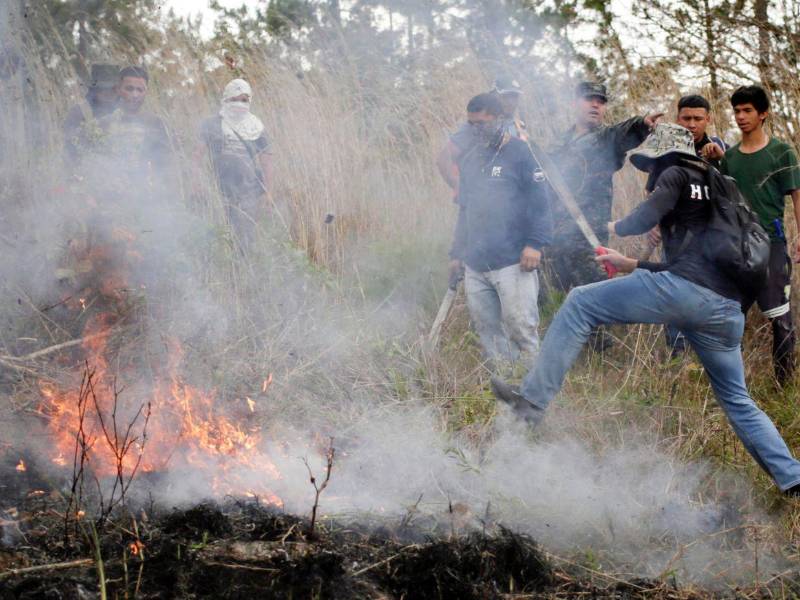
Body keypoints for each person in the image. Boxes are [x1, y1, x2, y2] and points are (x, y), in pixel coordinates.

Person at [491, 123, 800, 496]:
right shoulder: (722, 185)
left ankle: (532, 402)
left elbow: (641, 222)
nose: (651, 174)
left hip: (685, 293)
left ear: (664, 155)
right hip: (726, 311)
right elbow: (697, 264)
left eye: (652, 164)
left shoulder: (676, 172)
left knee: (581, 302)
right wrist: (633, 265)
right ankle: (793, 477)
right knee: (738, 400)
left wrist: (607, 225)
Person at [448, 93, 553, 371]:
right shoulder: (470, 160)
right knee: (488, 331)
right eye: (471, 124)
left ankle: (532, 386)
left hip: (513, 261)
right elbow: (464, 210)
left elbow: (541, 203)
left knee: (521, 329)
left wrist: (535, 244)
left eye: (481, 124)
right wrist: (456, 254)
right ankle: (505, 383)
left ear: (498, 119)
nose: (475, 130)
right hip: (476, 263)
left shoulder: (522, 154)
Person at [547, 82, 662, 294]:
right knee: (552, 302)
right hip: (555, 238)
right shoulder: (558, 143)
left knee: (593, 299)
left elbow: (622, 133)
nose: (595, 105)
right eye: (589, 99)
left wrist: (642, 124)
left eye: (600, 102)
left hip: (588, 237)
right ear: (574, 103)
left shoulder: (605, 139)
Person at [721, 85, 800, 386]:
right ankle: (733, 384)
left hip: (771, 245)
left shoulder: (782, 152)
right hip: (736, 247)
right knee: (730, 316)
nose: (741, 116)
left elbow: (797, 196)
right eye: (737, 111)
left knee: (780, 318)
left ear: (763, 114)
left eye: (747, 111)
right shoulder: (730, 158)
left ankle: (784, 385)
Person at [653, 93, 729, 355]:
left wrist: (719, 160)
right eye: (686, 118)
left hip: (713, 238)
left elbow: (734, 190)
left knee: (712, 295)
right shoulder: (667, 150)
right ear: (678, 119)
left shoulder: (719, 148)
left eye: (698, 118)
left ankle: (714, 354)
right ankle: (678, 357)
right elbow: (653, 191)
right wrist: (653, 223)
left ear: (708, 119)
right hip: (675, 236)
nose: (692, 124)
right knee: (673, 293)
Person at [200, 78, 273, 248]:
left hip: (248, 192)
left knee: (244, 237)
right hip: (217, 189)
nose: (239, 104)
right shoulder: (212, 123)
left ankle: (243, 261)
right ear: (226, 98)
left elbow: (267, 162)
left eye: (244, 100)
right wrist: (198, 184)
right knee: (218, 235)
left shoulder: (257, 127)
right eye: (234, 99)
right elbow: (196, 156)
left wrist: (268, 193)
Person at [92, 66, 172, 182]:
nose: (135, 95)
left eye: (140, 90)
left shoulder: (155, 123)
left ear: (146, 92)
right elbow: (94, 163)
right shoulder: (104, 124)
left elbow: (164, 165)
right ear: (118, 89)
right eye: (129, 89)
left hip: (144, 188)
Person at [436, 94, 495, 198]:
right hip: (474, 200)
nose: (510, 102)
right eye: (506, 96)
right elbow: (443, 159)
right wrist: (456, 185)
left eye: (514, 96)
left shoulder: (515, 126)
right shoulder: (472, 129)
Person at [63, 63, 119, 164]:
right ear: (95, 90)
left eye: (112, 89)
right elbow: (70, 148)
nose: (108, 93)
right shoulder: (79, 112)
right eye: (103, 89)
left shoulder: (125, 111)